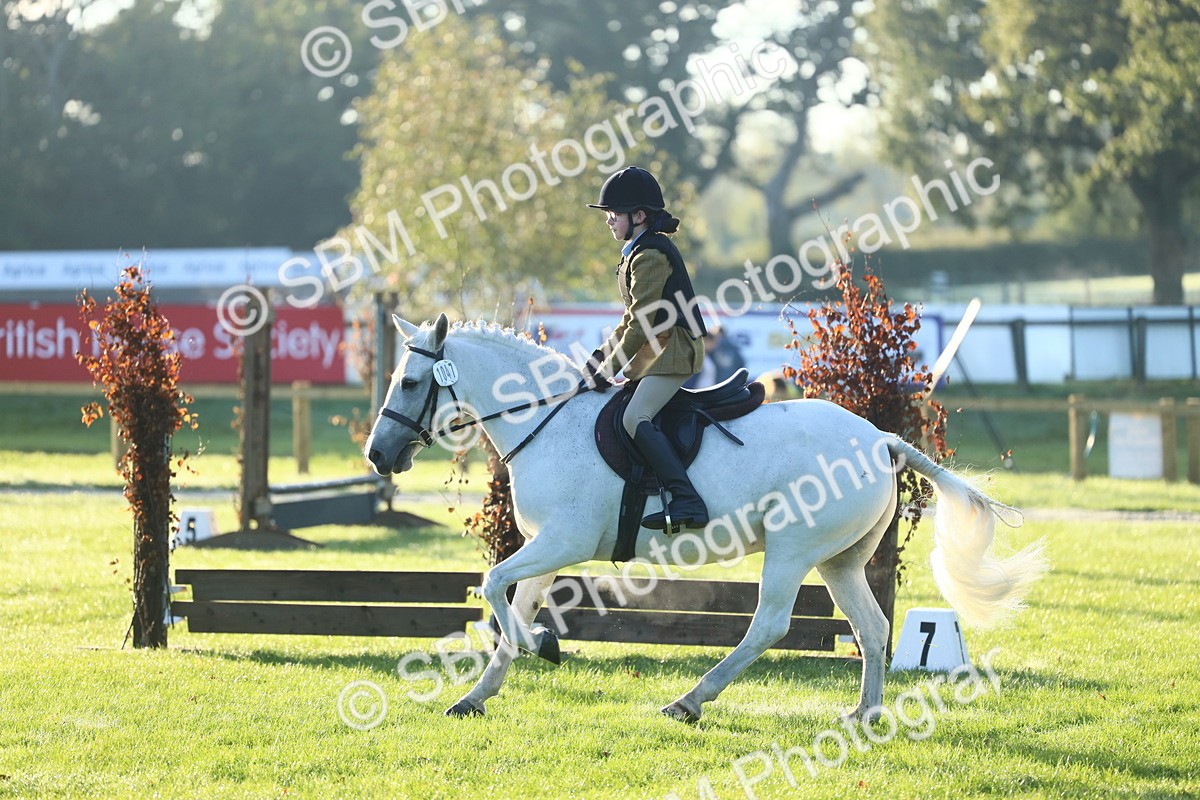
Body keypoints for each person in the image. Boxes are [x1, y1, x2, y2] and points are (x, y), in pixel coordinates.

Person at [582, 166, 709, 531]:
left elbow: (640, 324)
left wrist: (611, 369)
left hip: (675, 350)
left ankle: (687, 499)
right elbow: (629, 319)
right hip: (658, 347)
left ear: (638, 216)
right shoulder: (635, 251)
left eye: (613, 213)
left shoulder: (651, 254)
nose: (608, 220)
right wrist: (600, 358)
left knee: (633, 418)